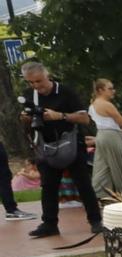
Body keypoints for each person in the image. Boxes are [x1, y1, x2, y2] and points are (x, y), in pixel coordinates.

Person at [18, 62, 103, 238]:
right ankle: (49, 223)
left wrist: (60, 116)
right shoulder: (29, 95)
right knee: (48, 185)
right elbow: (28, 120)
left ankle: (95, 220)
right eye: (30, 82)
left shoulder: (65, 92)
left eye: (38, 81)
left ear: (47, 75)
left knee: (83, 183)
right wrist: (26, 118)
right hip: (45, 146)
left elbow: (85, 119)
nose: (35, 86)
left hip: (71, 144)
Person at [88, 78, 122, 199]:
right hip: (111, 138)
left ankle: (99, 195)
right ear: (100, 90)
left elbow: (106, 124)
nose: (113, 91)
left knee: (101, 169)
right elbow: (121, 122)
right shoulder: (106, 104)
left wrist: (119, 130)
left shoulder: (92, 105)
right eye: (110, 88)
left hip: (101, 136)